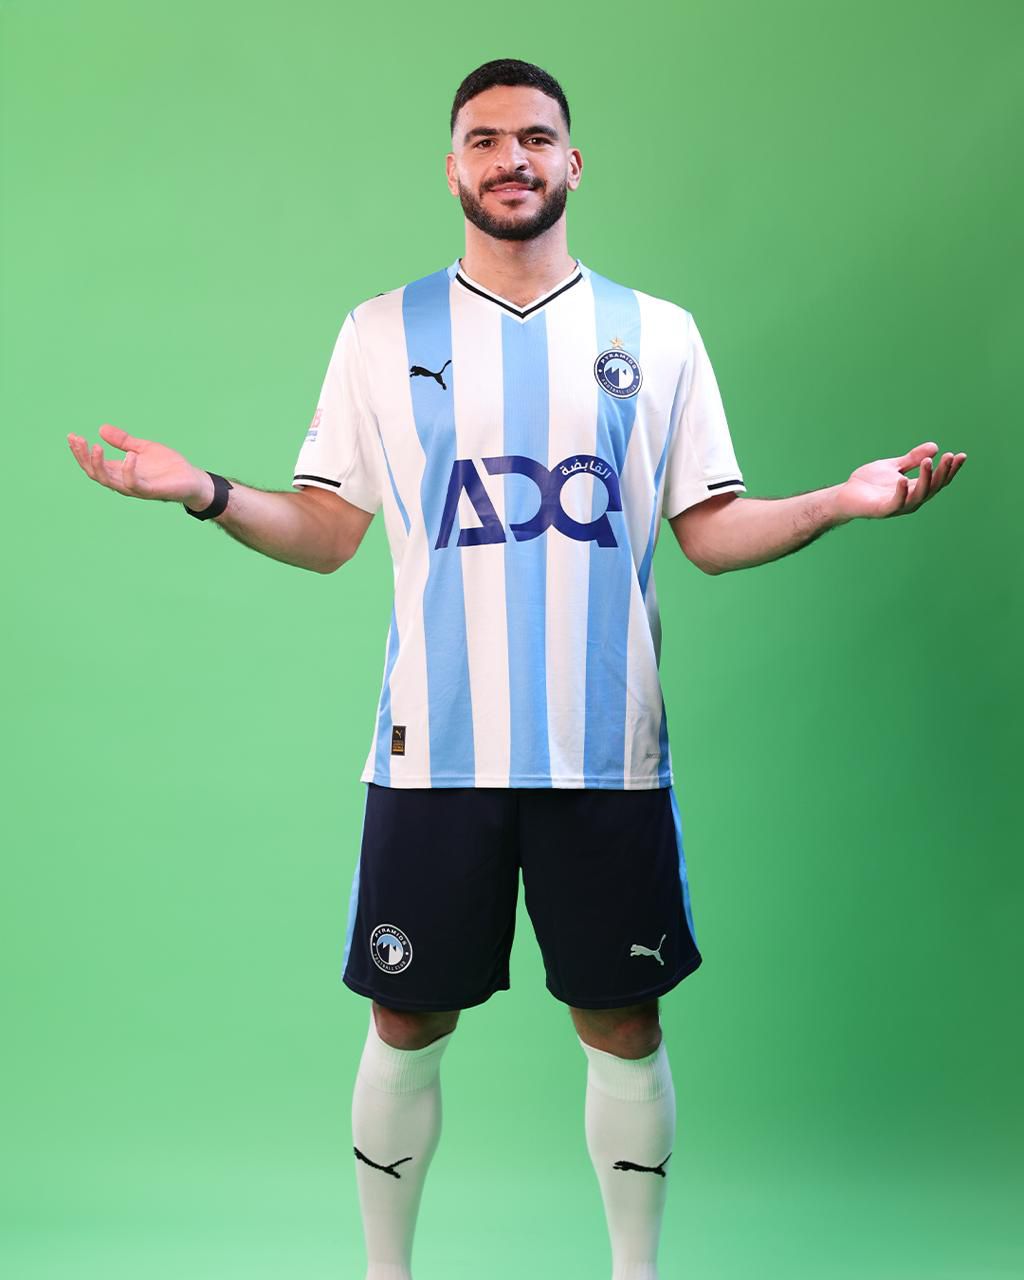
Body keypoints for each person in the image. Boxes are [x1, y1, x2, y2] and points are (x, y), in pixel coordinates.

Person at [68, 57, 965, 1280]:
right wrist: (207, 491)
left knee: (624, 1020)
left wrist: (839, 502)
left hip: (606, 750)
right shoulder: (380, 332)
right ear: (452, 168)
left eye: (535, 137)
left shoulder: (656, 334)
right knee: (403, 1015)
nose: (512, 159)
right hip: (433, 749)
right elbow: (327, 530)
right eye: (485, 140)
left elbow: (710, 530)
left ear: (572, 162)